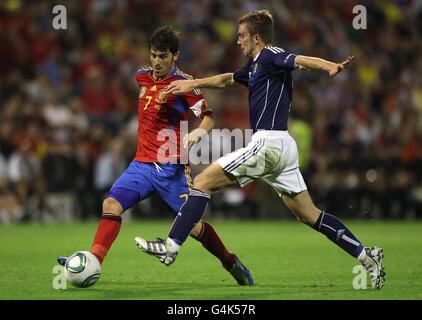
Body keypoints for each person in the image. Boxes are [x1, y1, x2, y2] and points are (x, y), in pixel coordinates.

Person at [135, 11, 385, 289]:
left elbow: (298, 59)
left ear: (256, 37)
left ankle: (171, 245)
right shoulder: (255, 67)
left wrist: (329, 66)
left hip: (268, 143)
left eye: (241, 35)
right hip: (282, 149)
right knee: (308, 214)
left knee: (203, 181)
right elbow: (229, 79)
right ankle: (367, 255)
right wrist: (192, 84)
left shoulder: (269, 55)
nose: (237, 40)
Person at [57, 26, 254, 286]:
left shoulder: (184, 85)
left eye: (163, 56)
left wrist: (197, 134)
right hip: (141, 165)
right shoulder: (142, 77)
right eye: (154, 55)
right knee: (111, 205)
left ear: (175, 56)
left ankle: (230, 261)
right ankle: (93, 261)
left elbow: (208, 117)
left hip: (171, 168)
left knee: (194, 227)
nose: (157, 61)